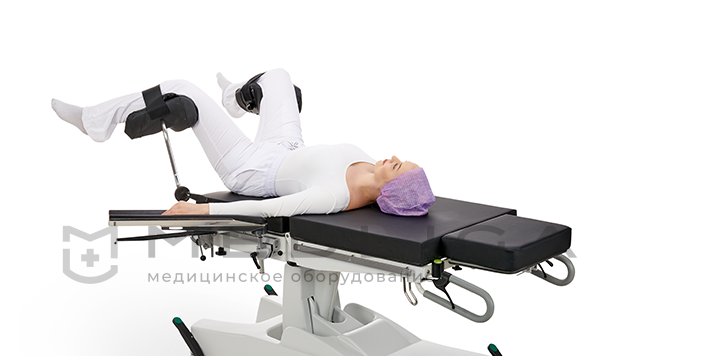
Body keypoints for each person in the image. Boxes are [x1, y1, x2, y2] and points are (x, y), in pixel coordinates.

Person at [51, 68, 435, 218]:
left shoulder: (334, 196)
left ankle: (94, 121)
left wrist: (199, 211)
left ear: (390, 191)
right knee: (279, 77)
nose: (394, 157)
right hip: (286, 146)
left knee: (181, 88)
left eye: (398, 166)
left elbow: (270, 209)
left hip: (250, 169)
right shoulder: (369, 163)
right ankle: (233, 99)